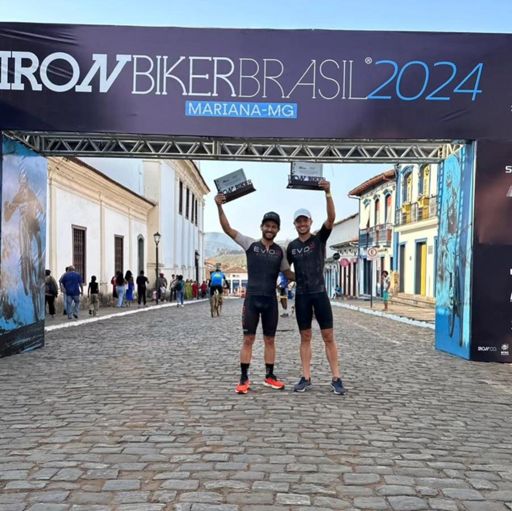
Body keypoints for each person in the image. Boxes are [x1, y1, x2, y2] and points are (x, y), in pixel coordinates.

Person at [215, 193, 291, 394]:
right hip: (252, 300)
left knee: (270, 340)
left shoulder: (280, 251)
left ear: (278, 230)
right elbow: (228, 229)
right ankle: (243, 378)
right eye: (267, 225)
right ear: (261, 227)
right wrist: (219, 207)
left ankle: (269, 376)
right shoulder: (250, 244)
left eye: (274, 226)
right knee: (248, 339)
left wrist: (308, 273)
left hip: (270, 302)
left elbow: (288, 273)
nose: (270, 229)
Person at [287, 180, 346, 395]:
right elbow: (285, 270)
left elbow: (331, 218)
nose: (302, 224)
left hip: (320, 294)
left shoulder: (319, 239)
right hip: (302, 296)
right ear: (295, 224)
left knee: (328, 336)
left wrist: (328, 192)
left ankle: (336, 378)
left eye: (305, 220)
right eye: (299, 221)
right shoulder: (292, 247)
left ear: (310, 222)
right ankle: (306, 377)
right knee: (305, 338)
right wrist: (298, 278)